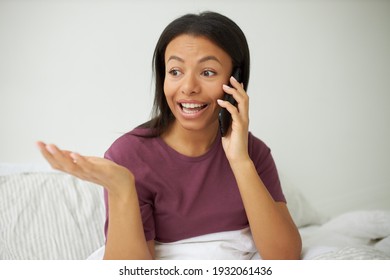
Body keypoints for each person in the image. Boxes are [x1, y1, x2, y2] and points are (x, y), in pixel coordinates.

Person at [37, 11, 302, 260]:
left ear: (235, 81)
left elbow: (285, 257)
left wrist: (240, 161)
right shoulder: (127, 155)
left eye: (207, 72)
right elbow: (130, 272)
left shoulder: (253, 152)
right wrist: (121, 188)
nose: (188, 88)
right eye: (175, 72)